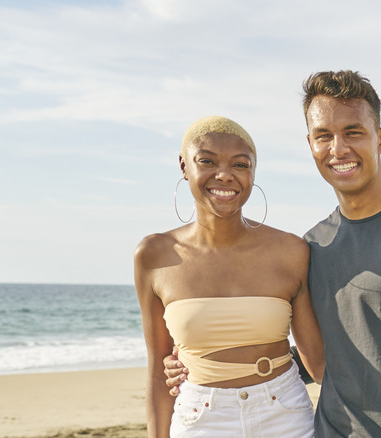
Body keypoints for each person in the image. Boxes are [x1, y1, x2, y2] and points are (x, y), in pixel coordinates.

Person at [165, 71, 381, 437]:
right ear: (310, 144)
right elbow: (317, 355)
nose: (338, 149)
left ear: (380, 139)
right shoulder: (313, 243)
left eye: (353, 132)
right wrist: (199, 359)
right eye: (323, 136)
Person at [134, 115, 325, 438]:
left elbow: (320, 364)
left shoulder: (291, 250)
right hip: (199, 417)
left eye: (240, 165)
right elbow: (157, 371)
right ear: (184, 166)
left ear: (252, 173)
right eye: (207, 161)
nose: (224, 175)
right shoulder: (154, 255)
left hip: (285, 413)